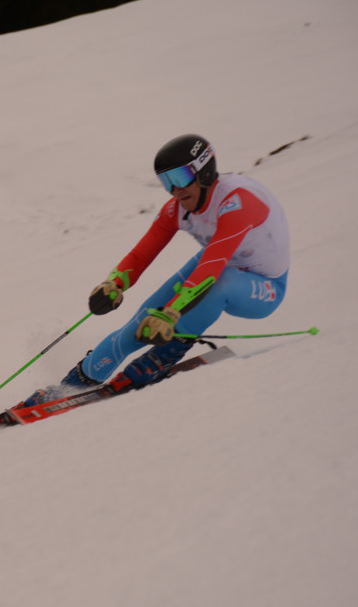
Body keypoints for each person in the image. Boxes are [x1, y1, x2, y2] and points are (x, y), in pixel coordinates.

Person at [23, 133, 290, 406]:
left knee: (217, 282)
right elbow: (142, 253)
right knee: (135, 329)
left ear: (205, 170)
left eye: (181, 177)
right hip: (214, 269)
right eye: (167, 181)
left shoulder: (238, 201)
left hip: (264, 287)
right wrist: (114, 284)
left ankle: (165, 356)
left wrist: (172, 313)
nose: (175, 189)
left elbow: (213, 264)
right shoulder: (176, 209)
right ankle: (69, 387)